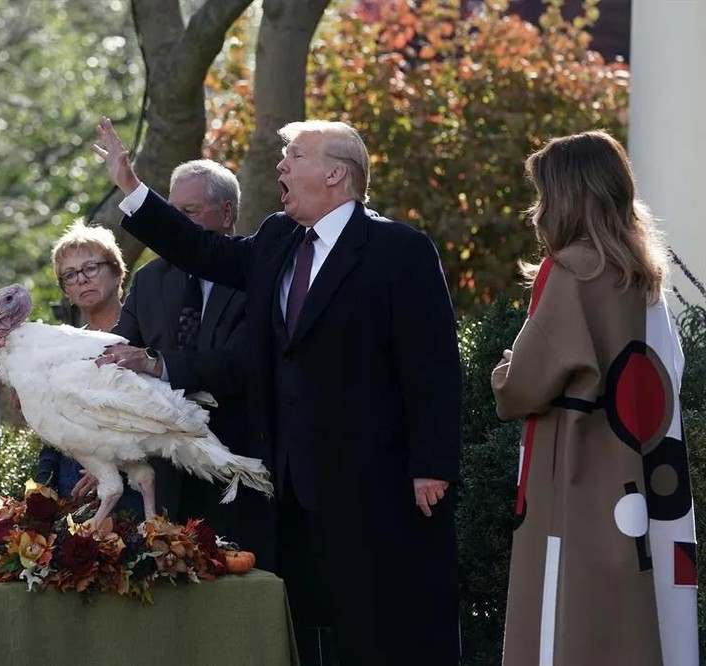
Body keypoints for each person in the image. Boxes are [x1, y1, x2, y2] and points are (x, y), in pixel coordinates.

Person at [94, 117, 462, 664]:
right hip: (288, 483)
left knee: (379, 628)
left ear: (336, 173)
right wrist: (133, 190)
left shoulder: (397, 249)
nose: (281, 166)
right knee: (307, 631)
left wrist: (431, 462)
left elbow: (432, 364)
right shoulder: (276, 239)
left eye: (295, 156)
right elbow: (201, 249)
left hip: (370, 480)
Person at [492, 131, 698, 665]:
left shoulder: (572, 272)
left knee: (570, 621)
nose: (537, 211)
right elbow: (667, 370)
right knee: (640, 613)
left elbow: (522, 387)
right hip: (647, 474)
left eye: (543, 195)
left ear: (566, 198)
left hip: (581, 479)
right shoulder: (643, 274)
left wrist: (502, 372)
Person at [100, 159, 274, 567]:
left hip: (233, 468)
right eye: (170, 209)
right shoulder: (149, 280)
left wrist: (156, 364)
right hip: (160, 477)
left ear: (227, 212)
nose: (172, 222)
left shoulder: (260, 276)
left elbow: (236, 365)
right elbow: (119, 359)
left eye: (187, 213)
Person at [33, 219, 143, 515]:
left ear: (118, 271)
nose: (81, 279)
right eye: (69, 275)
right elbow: (51, 440)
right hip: (68, 502)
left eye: (90, 268)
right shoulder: (60, 352)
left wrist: (110, 466)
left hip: (131, 497)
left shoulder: (143, 343)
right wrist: (41, 492)